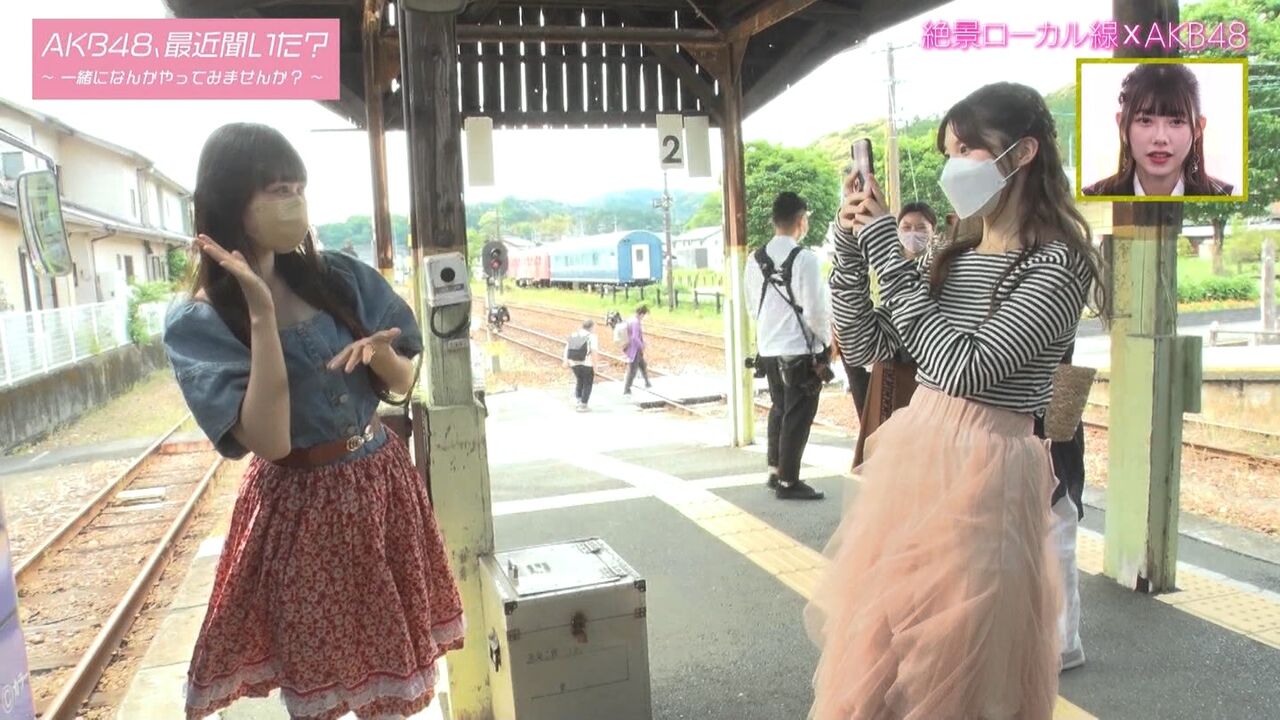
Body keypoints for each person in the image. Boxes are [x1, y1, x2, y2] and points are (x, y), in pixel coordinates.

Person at [805, 82, 1109, 720]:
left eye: (968, 149)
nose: (953, 166)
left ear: (1022, 153)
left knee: (953, 667)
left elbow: (966, 367)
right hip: (917, 463)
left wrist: (887, 250)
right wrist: (851, 252)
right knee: (883, 658)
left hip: (987, 475)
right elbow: (864, 343)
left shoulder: (1059, 264)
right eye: (949, 152)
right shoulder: (954, 255)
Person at [163, 123, 464, 720]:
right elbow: (270, 441)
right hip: (300, 509)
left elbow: (402, 381)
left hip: (379, 485)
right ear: (231, 201)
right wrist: (260, 313)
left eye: (298, 188)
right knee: (321, 674)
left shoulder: (338, 277)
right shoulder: (199, 321)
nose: (294, 203)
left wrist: (379, 354)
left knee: (389, 669)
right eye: (277, 190)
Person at [745, 192, 832, 501]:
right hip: (798, 349)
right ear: (801, 220)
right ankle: (788, 482)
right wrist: (826, 343)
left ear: (774, 220)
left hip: (768, 349)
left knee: (780, 408)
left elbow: (752, 307)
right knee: (798, 415)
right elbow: (815, 311)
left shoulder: (754, 260)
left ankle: (775, 471)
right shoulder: (805, 259)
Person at [850, 201, 937, 469]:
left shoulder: (940, 268)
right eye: (906, 227)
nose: (913, 233)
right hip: (890, 368)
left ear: (933, 231)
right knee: (885, 449)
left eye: (920, 228)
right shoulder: (886, 266)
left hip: (926, 375)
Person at [1082, 62, 1233, 197]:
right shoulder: (1093, 195)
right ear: (1122, 124)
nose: (1160, 138)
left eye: (1176, 122)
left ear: (1198, 128)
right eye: (1145, 120)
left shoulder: (1226, 194)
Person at [564, 319, 600, 412]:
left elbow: (567, 348)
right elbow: (594, 352)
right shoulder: (592, 337)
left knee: (579, 380)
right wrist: (595, 367)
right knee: (587, 383)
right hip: (587, 363)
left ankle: (578, 401)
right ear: (591, 327)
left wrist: (566, 361)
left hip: (574, 363)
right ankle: (583, 405)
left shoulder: (574, 334)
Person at [622, 304, 653, 395]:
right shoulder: (635, 322)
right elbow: (634, 337)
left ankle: (647, 382)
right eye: (644, 315)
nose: (644, 317)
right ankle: (626, 389)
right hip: (634, 349)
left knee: (643, 365)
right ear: (641, 314)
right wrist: (642, 345)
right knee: (632, 370)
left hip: (634, 349)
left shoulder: (631, 319)